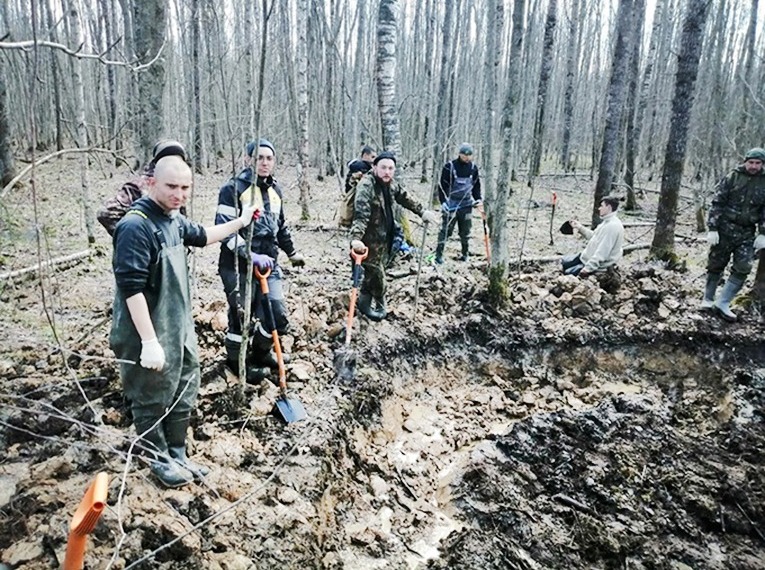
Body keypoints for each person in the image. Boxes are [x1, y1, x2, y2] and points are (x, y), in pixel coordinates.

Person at [110, 156, 258, 488]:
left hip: (177, 325)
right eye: (172, 187)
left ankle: (177, 453)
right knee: (150, 394)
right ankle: (158, 459)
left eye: (185, 187)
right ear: (151, 183)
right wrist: (148, 342)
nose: (179, 194)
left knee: (184, 386)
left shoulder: (173, 220)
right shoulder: (136, 226)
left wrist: (242, 220)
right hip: (143, 329)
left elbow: (204, 235)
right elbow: (131, 289)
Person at [215, 139, 305, 379]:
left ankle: (260, 353)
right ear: (248, 160)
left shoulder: (276, 191)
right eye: (259, 158)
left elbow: (280, 227)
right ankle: (237, 365)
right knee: (241, 316)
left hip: (269, 263)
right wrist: (249, 254)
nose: (264, 163)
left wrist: (292, 253)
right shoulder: (233, 189)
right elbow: (224, 230)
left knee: (276, 313)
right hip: (237, 265)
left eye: (269, 158)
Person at [349, 151, 438, 321]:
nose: (387, 172)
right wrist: (356, 239)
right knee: (378, 274)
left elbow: (404, 197)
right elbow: (360, 216)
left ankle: (364, 303)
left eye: (390, 168)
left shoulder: (390, 184)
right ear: (374, 167)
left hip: (386, 238)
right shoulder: (366, 187)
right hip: (368, 242)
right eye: (383, 168)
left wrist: (422, 212)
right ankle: (380, 304)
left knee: (372, 274)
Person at [702, 147, 765, 321]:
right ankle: (708, 299)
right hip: (725, 228)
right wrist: (713, 228)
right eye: (751, 162)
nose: (753, 166)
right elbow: (718, 202)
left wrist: (763, 232)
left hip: (747, 232)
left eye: (757, 163)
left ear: (762, 164)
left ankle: (723, 302)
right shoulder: (732, 177)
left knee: (744, 266)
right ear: (745, 161)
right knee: (716, 263)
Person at [97, 140, 187, 235]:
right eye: (170, 161)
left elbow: (180, 221)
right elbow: (105, 213)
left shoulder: (179, 187)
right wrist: (135, 238)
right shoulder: (141, 184)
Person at [434, 143, 482, 264]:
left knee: (465, 232)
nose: (466, 157)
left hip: (466, 205)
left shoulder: (473, 168)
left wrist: (478, 199)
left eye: (469, 155)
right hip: (451, 204)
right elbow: (442, 186)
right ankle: (438, 256)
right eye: (464, 155)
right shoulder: (449, 167)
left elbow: (476, 186)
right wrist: (443, 202)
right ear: (459, 154)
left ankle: (465, 255)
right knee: (445, 231)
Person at [561, 195, 624, 281]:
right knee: (564, 263)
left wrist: (588, 269)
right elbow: (593, 236)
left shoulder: (612, 226)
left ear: (609, 207)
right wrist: (579, 227)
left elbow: (602, 252)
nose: (599, 208)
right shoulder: (606, 222)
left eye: (602, 206)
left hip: (597, 265)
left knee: (568, 274)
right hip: (586, 257)